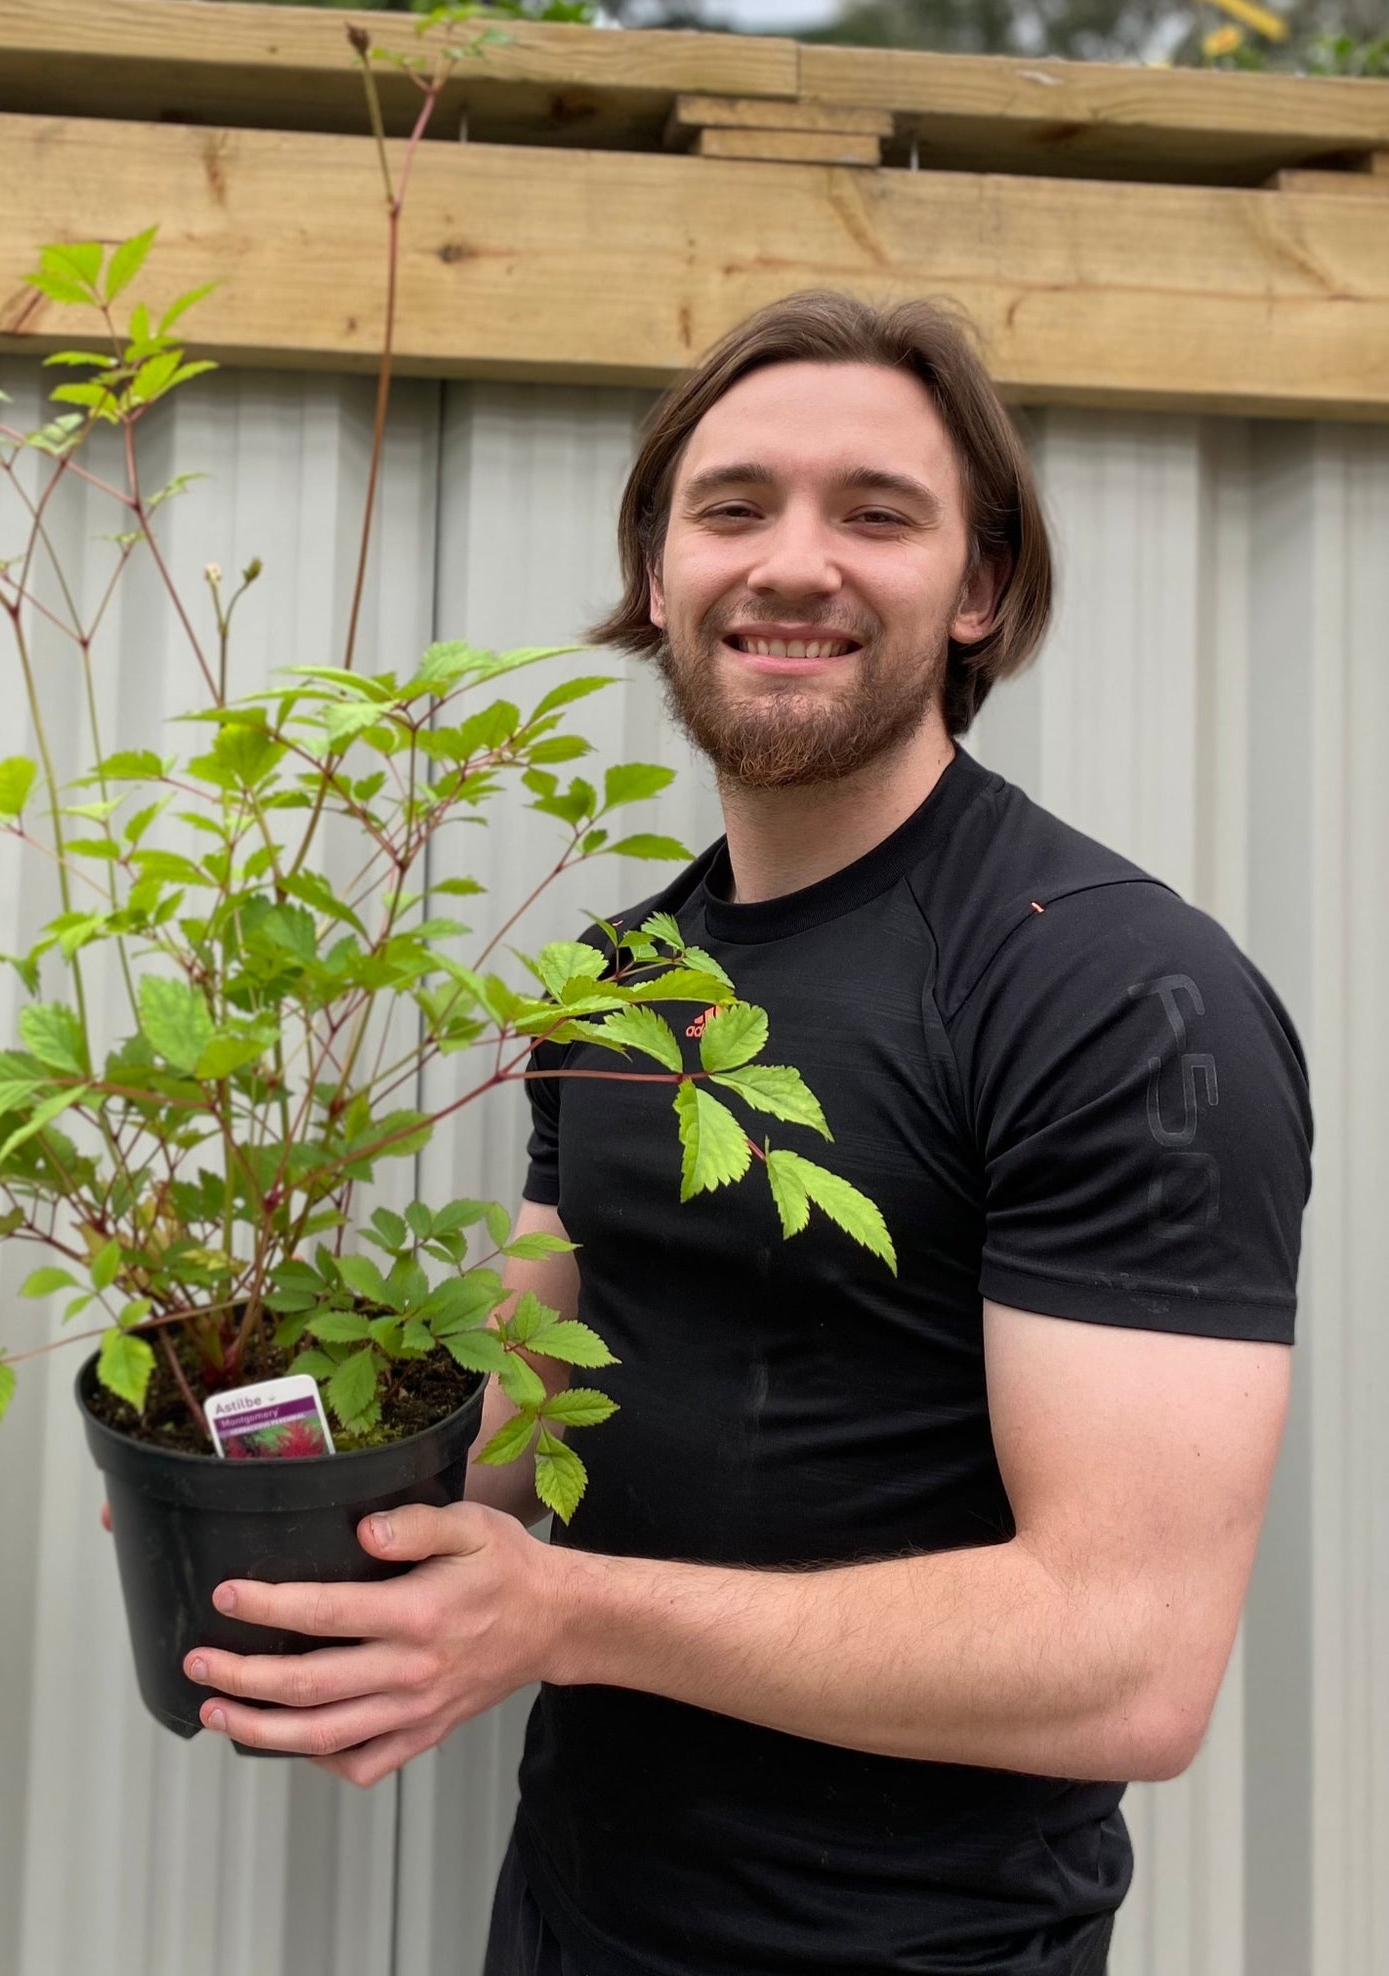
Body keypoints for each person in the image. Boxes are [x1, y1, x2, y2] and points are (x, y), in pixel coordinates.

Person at [179, 292, 1312, 1975]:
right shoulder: (623, 979)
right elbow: (524, 1394)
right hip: (572, 1913)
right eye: (733, 508)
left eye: (876, 512)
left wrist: (560, 1613)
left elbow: (1126, 1665)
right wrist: (266, 1477)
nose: (794, 564)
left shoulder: (1110, 990)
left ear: (981, 589)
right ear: (658, 576)